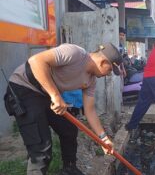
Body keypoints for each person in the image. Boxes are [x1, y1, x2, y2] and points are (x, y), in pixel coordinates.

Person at [3, 43, 122, 175]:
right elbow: (36, 61)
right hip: (24, 87)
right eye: (110, 70)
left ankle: (69, 169)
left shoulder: (91, 80)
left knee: (69, 129)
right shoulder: (74, 53)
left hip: (45, 93)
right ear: (103, 62)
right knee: (41, 149)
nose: (108, 74)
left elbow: (90, 110)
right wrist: (55, 95)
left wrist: (104, 139)